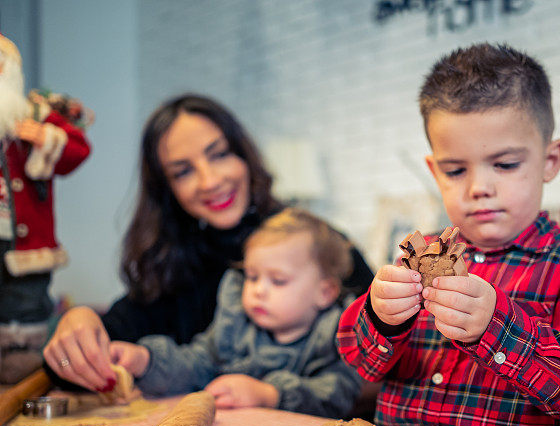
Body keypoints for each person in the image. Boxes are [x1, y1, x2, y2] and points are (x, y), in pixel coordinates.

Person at [337, 43, 560, 426]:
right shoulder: (424, 252)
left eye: (505, 164)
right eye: (456, 170)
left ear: (549, 160)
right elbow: (361, 363)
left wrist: (497, 328)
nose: (478, 187)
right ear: (435, 170)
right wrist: (381, 318)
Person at [45, 94, 372, 393]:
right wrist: (78, 323)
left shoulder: (318, 245)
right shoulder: (171, 265)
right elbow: (93, 356)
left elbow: (381, 360)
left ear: (244, 156)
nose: (210, 181)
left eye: (219, 155)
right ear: (167, 190)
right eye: (183, 171)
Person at [107, 208, 362, 417]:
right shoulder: (236, 324)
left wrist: (268, 394)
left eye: (278, 280)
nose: (258, 290)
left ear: (325, 292)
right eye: (252, 277)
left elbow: (337, 394)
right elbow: (197, 362)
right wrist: (147, 361)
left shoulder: (335, 336)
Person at [0, 34, 91, 384]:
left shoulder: (35, 114)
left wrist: (44, 138)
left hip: (25, 238)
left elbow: (78, 150)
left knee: (24, 297)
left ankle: (19, 356)